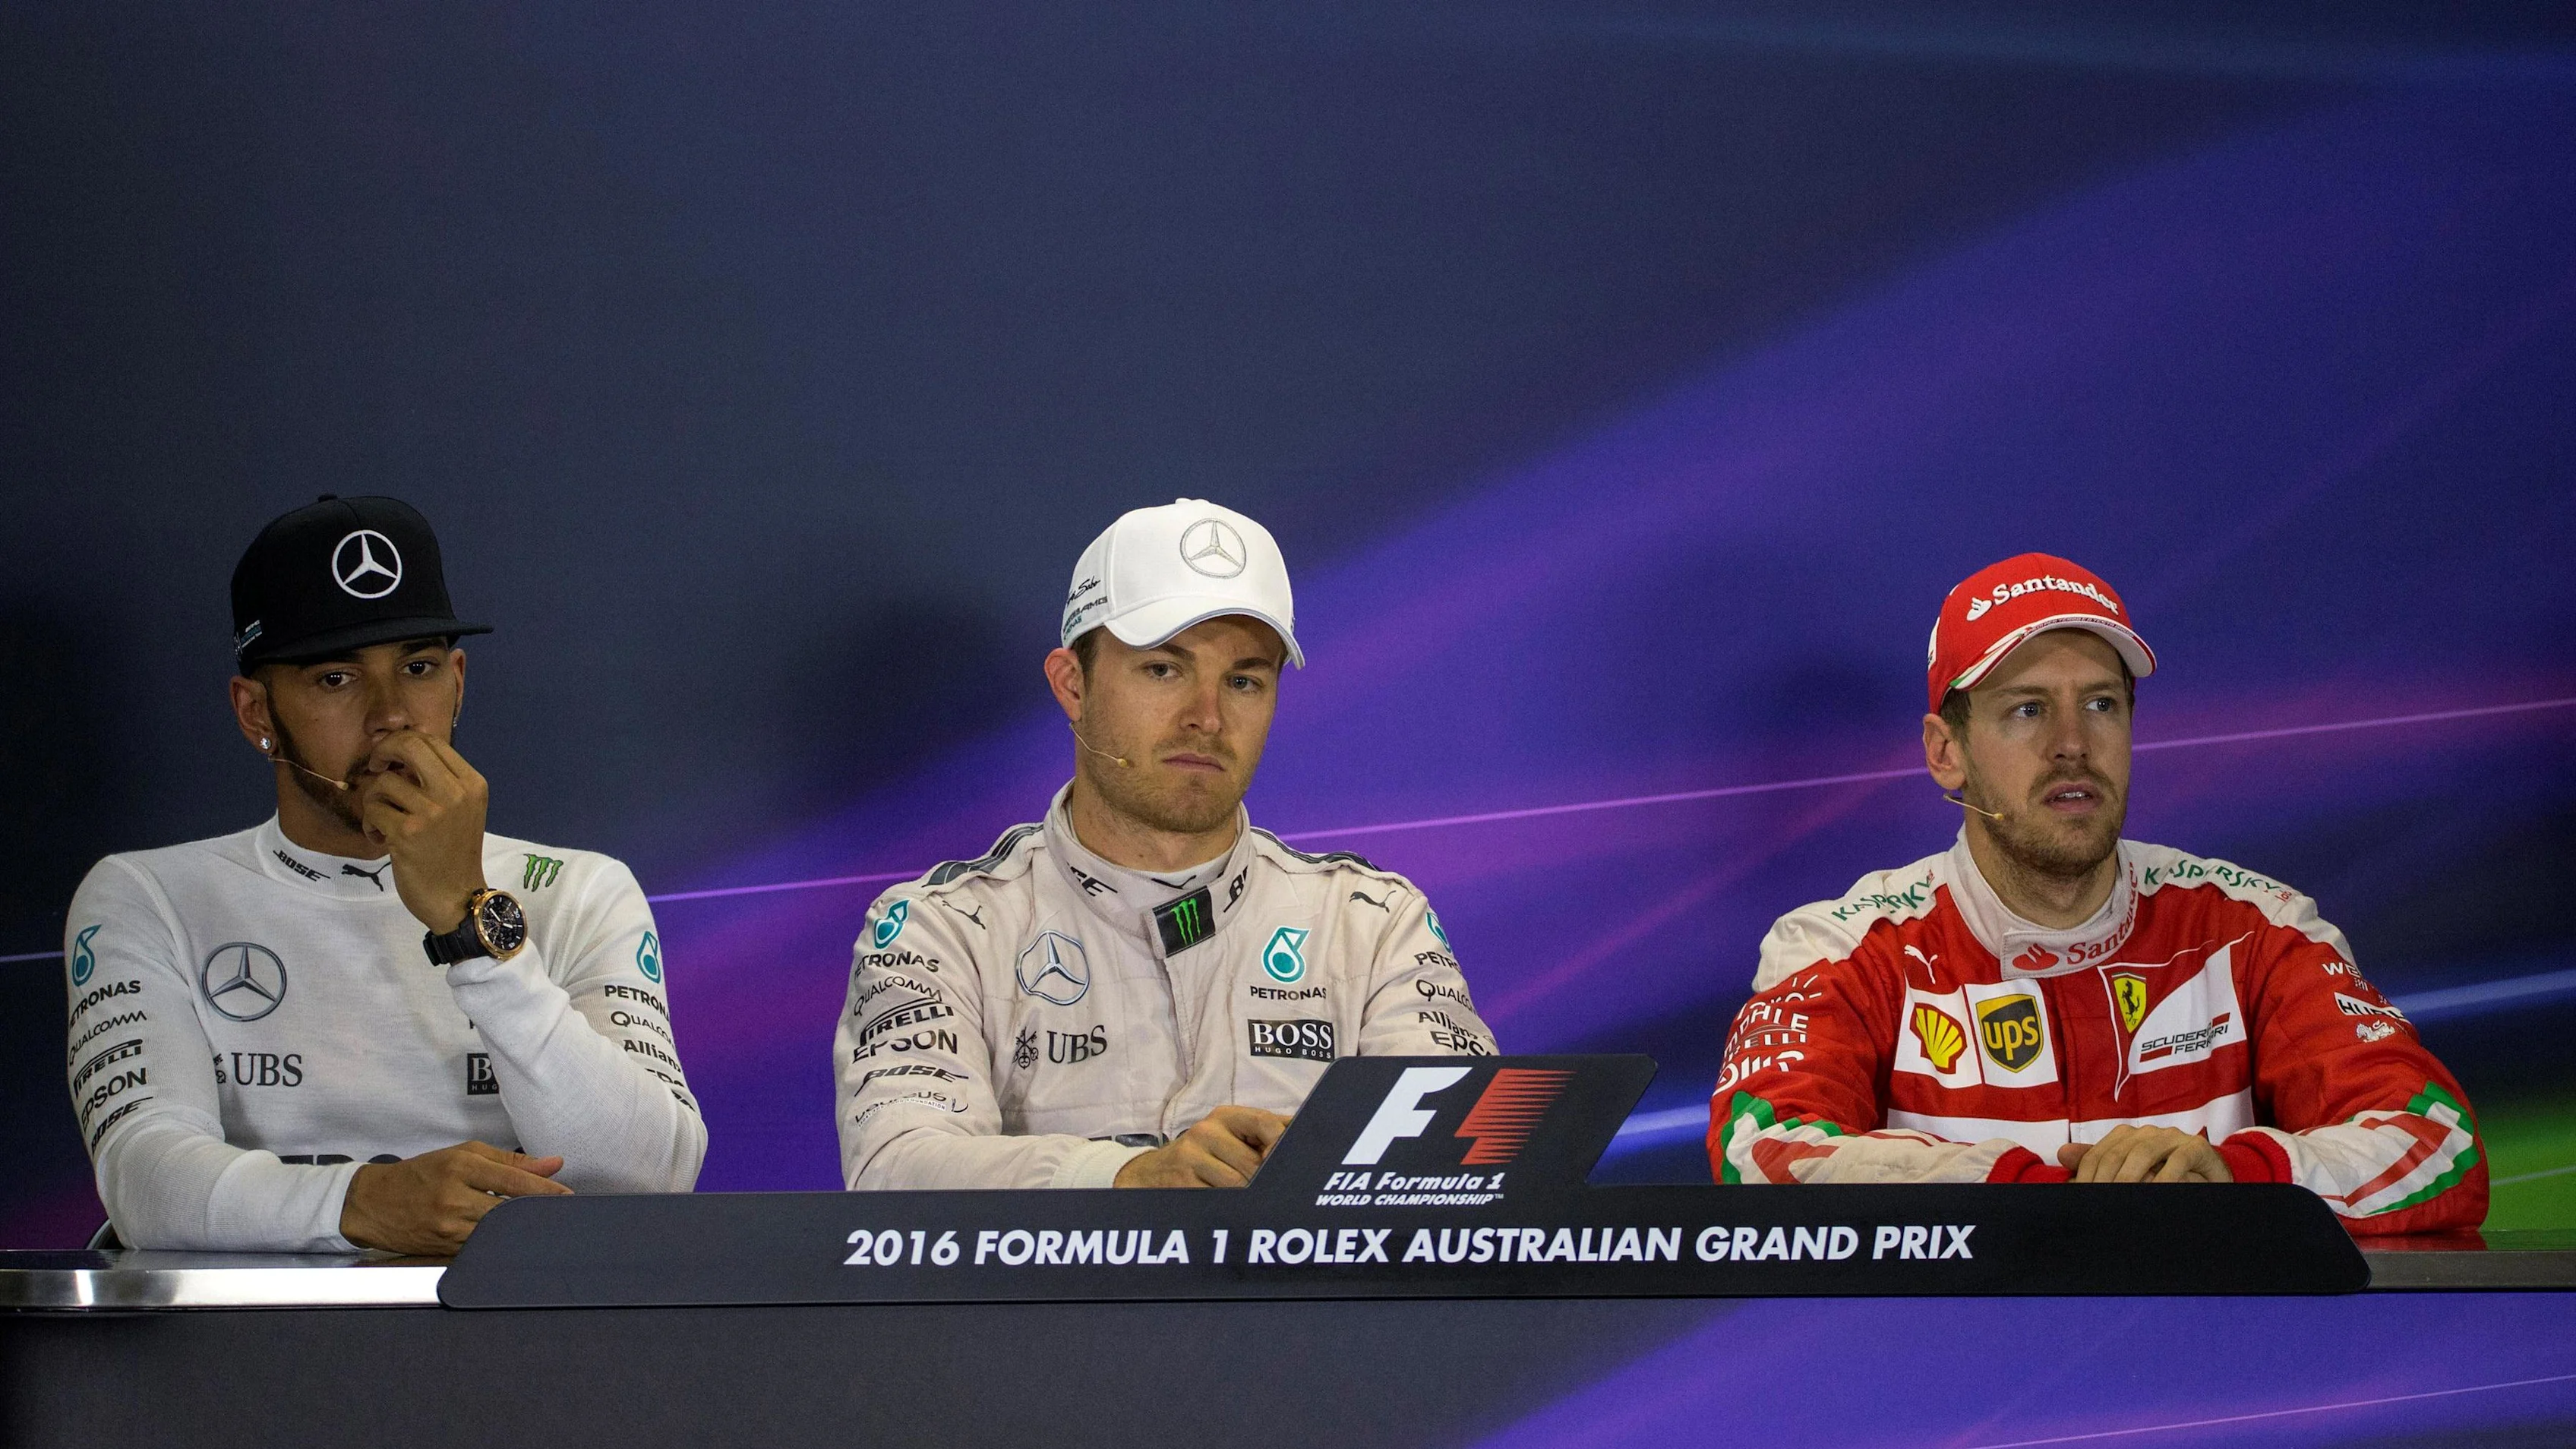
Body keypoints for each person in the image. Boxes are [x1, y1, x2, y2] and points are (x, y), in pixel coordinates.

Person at [1706, 553, 2485, 1232]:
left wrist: (2233, 1178)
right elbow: (1762, 1155)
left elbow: (2438, 1143)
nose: (2072, 744)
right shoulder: (1842, 948)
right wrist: (2057, 1207)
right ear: (1946, 753)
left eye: (2101, 704)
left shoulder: (2256, 928)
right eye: (2027, 709)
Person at [65, 496, 704, 1254]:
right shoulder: (148, 896)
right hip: (247, 1331)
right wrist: (366, 1201)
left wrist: (469, 922)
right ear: (256, 712)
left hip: (515, 1325)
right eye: (336, 678)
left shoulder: (580, 890)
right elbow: (143, 1181)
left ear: (458, 682)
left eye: (418, 667)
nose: (392, 715)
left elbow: (650, 1176)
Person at [835, 498, 1495, 1190]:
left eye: (1243, 680)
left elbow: (1472, 1170)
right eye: (1163, 670)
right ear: (1072, 686)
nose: (1207, 718)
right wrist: (1127, 1178)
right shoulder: (943, 930)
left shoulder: (1373, 925)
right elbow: (895, 1168)